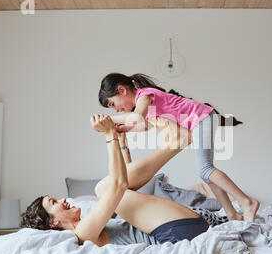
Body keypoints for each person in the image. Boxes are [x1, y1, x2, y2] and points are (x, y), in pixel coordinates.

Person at [20, 114, 210, 246]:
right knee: (103, 189)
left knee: (107, 191)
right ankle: (176, 143)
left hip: (182, 227)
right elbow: (118, 186)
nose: (63, 200)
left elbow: (125, 187)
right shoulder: (82, 233)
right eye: (54, 203)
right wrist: (109, 134)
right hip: (177, 234)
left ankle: (177, 142)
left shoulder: (93, 221)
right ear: (52, 223)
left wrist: (121, 142)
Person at [98, 72, 260, 222]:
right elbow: (144, 125)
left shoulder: (144, 95)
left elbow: (136, 117)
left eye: (113, 104)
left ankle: (247, 202)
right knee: (205, 174)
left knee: (204, 169)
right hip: (203, 119)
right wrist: (123, 129)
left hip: (202, 118)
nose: (117, 109)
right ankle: (232, 213)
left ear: (121, 90)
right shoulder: (143, 100)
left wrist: (110, 120)